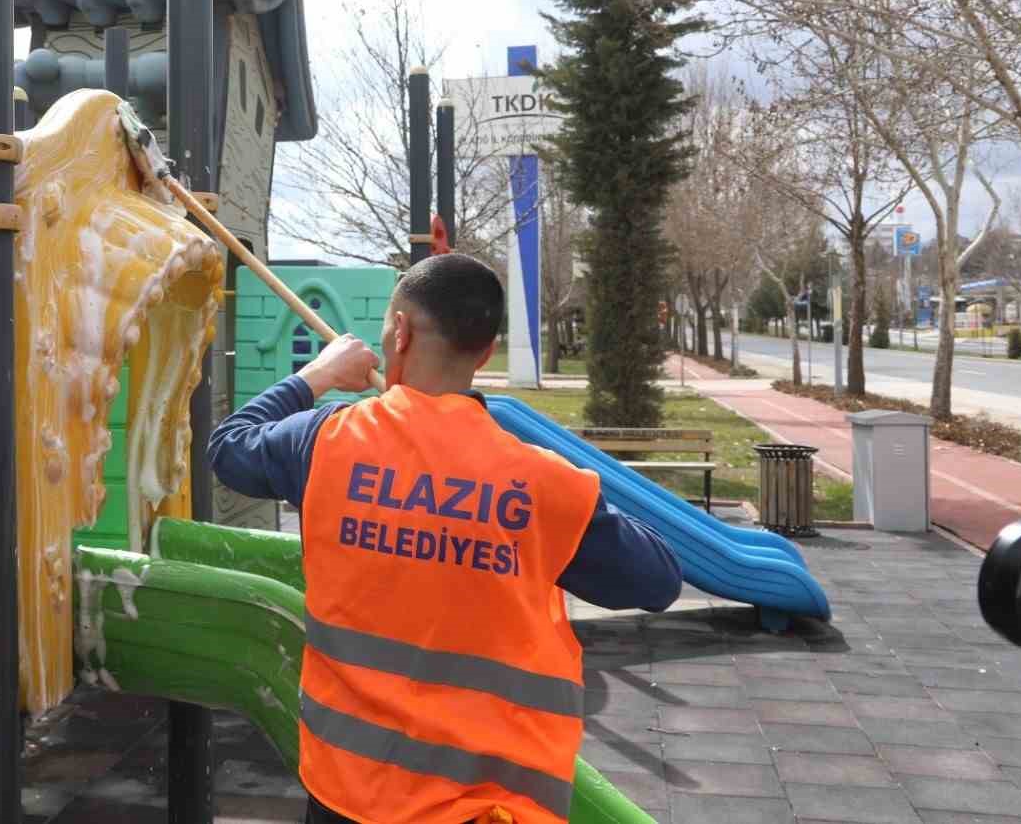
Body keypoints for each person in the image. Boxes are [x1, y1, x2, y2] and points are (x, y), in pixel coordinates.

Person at [209, 254, 682, 824]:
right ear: (485, 352)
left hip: (348, 791)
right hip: (488, 804)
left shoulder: (325, 442)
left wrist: (320, 375)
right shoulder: (544, 483)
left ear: (400, 332)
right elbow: (658, 579)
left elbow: (229, 446)